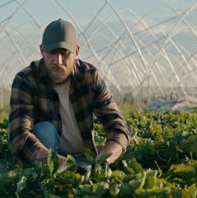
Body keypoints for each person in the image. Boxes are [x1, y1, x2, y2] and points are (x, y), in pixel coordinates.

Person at [9, 18, 131, 171]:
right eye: (52, 53)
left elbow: (118, 125)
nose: (58, 61)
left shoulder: (89, 77)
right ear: (42, 51)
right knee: (44, 130)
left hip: (83, 157)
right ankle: (49, 174)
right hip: (47, 158)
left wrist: (104, 158)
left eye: (64, 53)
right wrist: (62, 164)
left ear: (76, 52)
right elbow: (18, 136)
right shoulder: (26, 80)